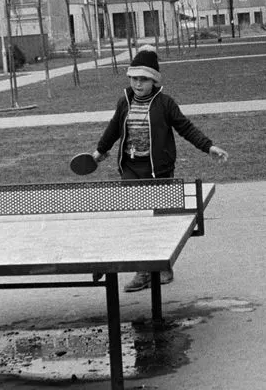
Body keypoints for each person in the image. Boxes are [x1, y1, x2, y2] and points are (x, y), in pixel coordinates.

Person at [92, 44, 229, 292]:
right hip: (131, 169)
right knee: (137, 221)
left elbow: (186, 128)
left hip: (159, 170)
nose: (138, 83)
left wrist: (209, 147)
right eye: (134, 78)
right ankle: (143, 271)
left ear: (154, 81)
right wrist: (100, 151)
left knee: (161, 221)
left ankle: (163, 265)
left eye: (144, 79)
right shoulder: (124, 102)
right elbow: (113, 129)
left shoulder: (165, 104)